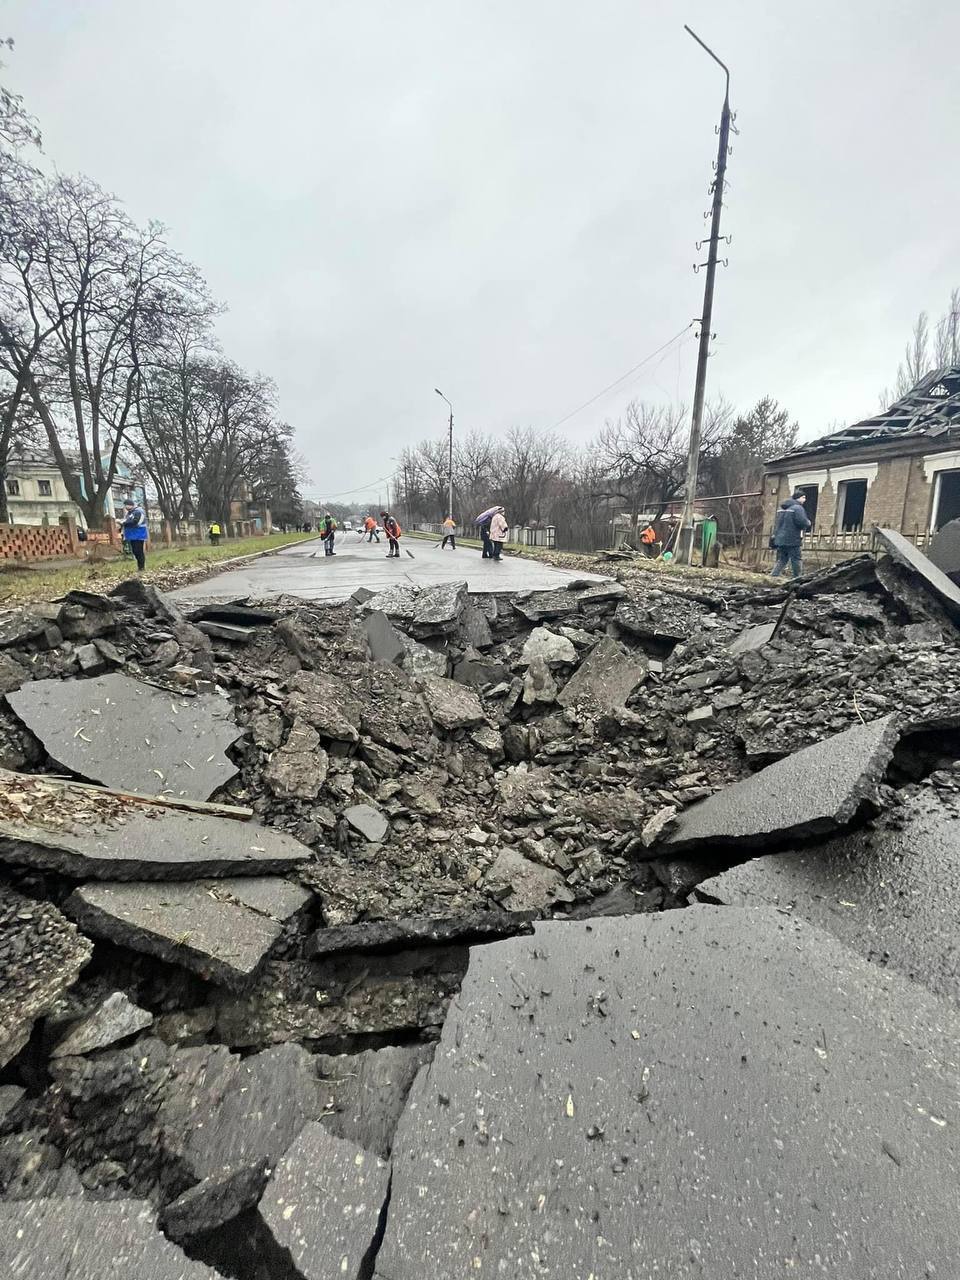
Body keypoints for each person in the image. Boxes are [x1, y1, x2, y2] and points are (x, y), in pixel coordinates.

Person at [770, 490, 811, 579]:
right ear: (798, 498)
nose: (805, 500)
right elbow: (802, 522)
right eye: (803, 497)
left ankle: (773, 576)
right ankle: (798, 578)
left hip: (780, 539)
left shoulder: (781, 509)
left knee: (782, 559)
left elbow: (778, 524)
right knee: (796, 559)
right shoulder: (798, 508)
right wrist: (808, 522)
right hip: (792, 539)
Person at [119, 497, 148, 572]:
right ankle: (140, 567)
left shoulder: (138, 512)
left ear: (130, 505)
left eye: (126, 505)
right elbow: (127, 521)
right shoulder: (130, 513)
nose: (125, 507)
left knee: (138, 551)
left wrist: (123, 522)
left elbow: (136, 522)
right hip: (132, 535)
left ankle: (141, 567)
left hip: (138, 534)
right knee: (135, 551)